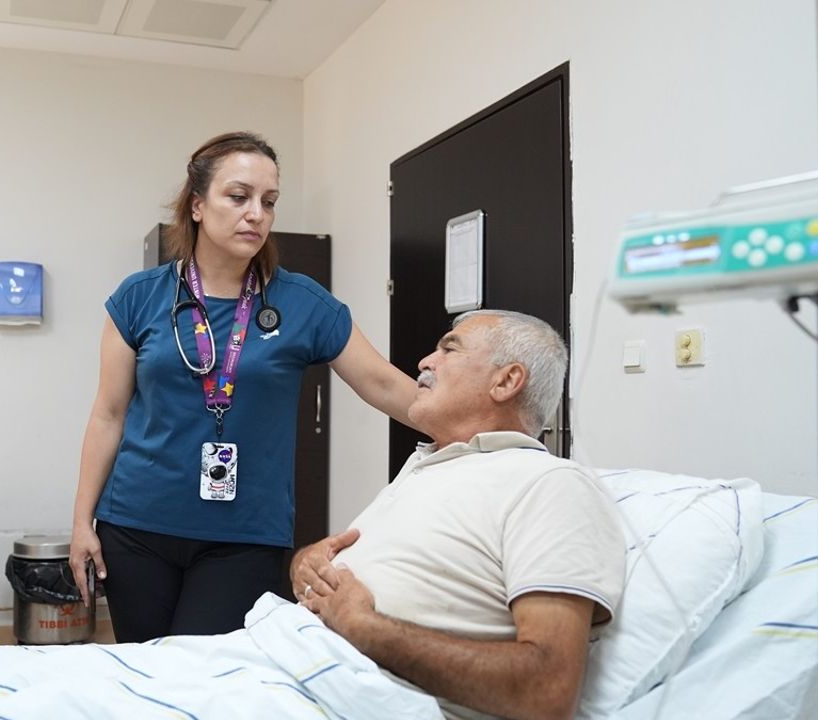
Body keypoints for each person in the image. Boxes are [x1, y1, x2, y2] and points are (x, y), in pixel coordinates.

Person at [69, 131, 420, 643]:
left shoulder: (303, 303)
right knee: (147, 679)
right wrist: (82, 522)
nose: (256, 213)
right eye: (238, 196)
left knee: (212, 682)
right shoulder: (139, 298)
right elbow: (108, 413)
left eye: (269, 201)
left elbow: (385, 384)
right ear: (196, 205)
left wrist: (476, 423)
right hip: (137, 528)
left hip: (245, 537)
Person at [291, 309, 625, 720]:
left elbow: (546, 690)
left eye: (449, 349)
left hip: (332, 693)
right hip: (288, 658)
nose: (425, 362)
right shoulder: (429, 466)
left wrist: (363, 627)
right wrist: (306, 564)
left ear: (506, 381)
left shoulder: (549, 484)